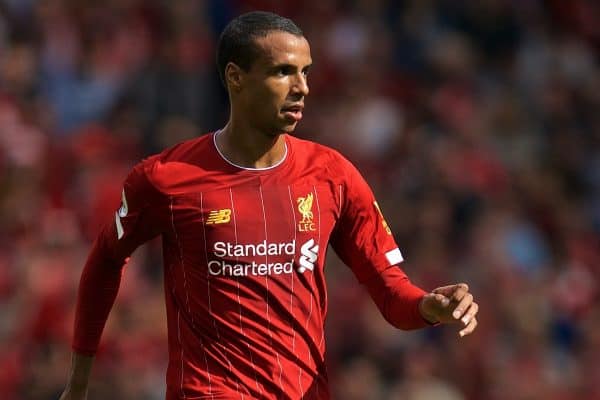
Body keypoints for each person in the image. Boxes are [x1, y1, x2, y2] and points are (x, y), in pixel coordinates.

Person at [60, 11, 479, 400]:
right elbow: (103, 263)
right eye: (283, 72)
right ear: (235, 77)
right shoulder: (165, 178)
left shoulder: (332, 175)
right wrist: (78, 383)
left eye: (305, 72)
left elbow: (390, 293)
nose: (302, 87)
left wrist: (429, 306)